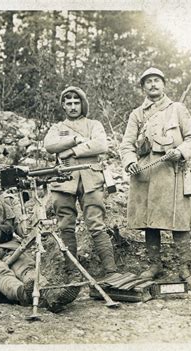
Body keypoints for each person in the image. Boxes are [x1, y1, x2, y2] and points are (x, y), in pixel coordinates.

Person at [0, 154, 79, 311]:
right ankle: (26, 295)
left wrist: (37, 214)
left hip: (8, 247)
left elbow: (22, 229)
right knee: (0, 273)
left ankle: (49, 293)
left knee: (27, 268)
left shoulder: (7, 199)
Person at [119, 67, 191, 291]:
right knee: (149, 220)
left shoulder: (178, 109)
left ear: (164, 84)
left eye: (157, 80)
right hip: (146, 171)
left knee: (180, 220)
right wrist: (129, 161)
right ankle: (154, 265)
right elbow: (126, 144)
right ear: (143, 87)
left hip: (173, 170)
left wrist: (181, 151)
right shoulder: (137, 114)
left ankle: (185, 269)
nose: (153, 85)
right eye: (148, 82)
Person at [44, 86, 117, 281]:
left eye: (77, 103)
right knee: (65, 225)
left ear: (83, 104)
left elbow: (101, 145)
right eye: (69, 103)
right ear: (63, 106)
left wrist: (71, 152)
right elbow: (50, 145)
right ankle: (72, 272)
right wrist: (75, 139)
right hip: (64, 180)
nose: (73, 106)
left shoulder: (94, 125)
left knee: (96, 223)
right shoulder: (57, 128)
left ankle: (110, 271)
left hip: (90, 179)